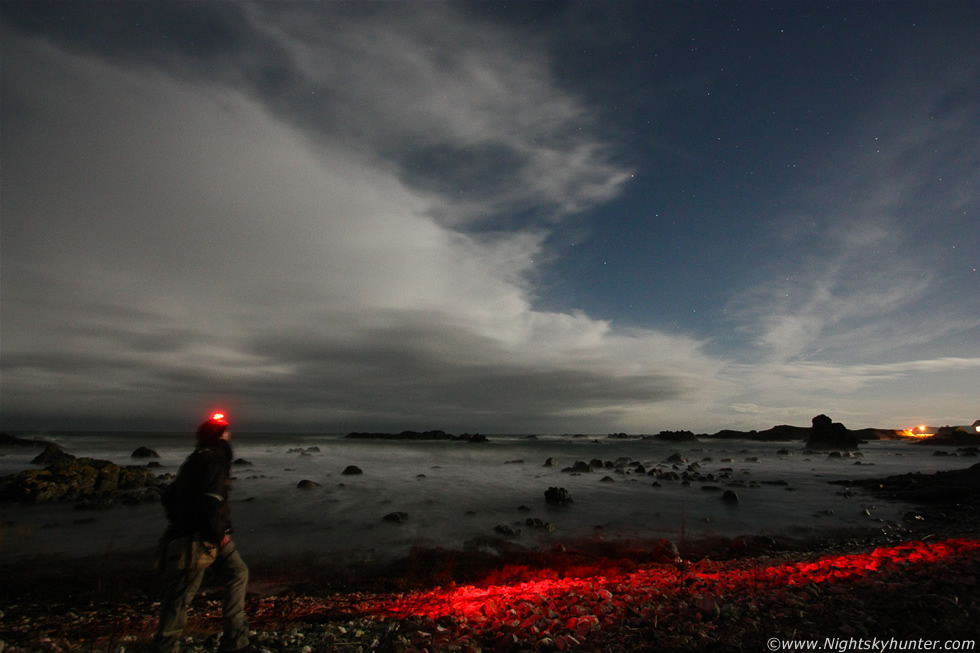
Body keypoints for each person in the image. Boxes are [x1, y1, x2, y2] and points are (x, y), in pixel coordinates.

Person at [153, 412, 252, 653]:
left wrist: (180, 519)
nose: (229, 434)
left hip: (189, 533)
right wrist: (219, 535)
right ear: (219, 436)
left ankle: (236, 641)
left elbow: (168, 496)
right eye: (225, 430)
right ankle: (170, 647)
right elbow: (211, 502)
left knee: (236, 573)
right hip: (199, 538)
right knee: (181, 594)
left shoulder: (195, 459)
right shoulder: (215, 461)